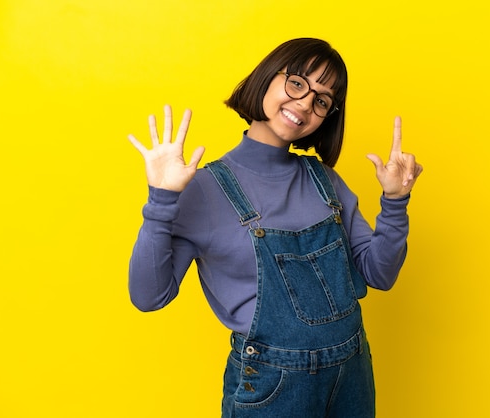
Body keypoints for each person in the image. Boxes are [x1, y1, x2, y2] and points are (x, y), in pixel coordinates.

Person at [127, 38, 422, 418]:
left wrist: (395, 203)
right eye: (297, 83)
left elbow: (380, 274)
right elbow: (149, 296)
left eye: (321, 100)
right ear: (268, 77)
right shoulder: (201, 189)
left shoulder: (324, 180)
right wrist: (161, 200)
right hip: (271, 386)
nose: (304, 104)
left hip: (352, 375)